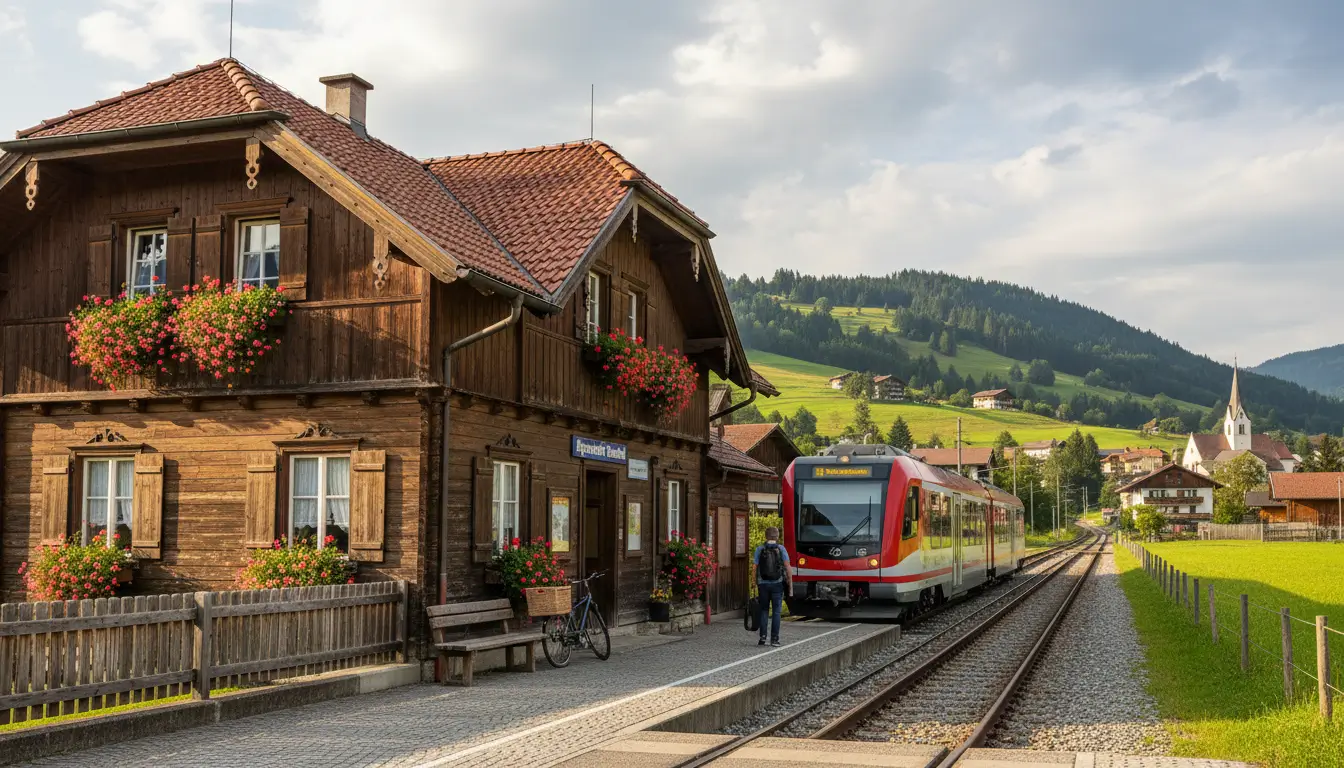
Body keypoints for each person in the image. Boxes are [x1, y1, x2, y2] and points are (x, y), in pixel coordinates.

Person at [753, 526, 791, 647]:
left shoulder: (760, 549)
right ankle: (774, 639)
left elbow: (754, 568)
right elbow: (787, 566)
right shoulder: (781, 549)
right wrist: (790, 582)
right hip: (777, 584)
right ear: (777, 536)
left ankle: (763, 638)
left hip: (763, 584)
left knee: (764, 610)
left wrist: (753, 582)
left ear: (766, 536)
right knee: (776, 612)